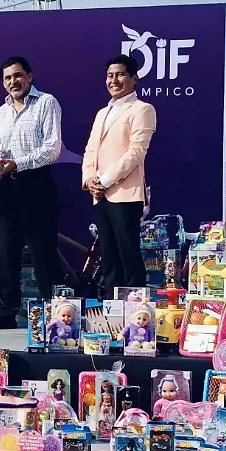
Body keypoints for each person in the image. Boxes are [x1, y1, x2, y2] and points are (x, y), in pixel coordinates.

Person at [0, 56, 63, 330]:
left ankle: (57, 315)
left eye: (17, 76)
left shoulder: (46, 103)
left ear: (29, 76)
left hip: (37, 184)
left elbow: (52, 149)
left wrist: (18, 163)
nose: (13, 82)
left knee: (44, 252)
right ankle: (6, 313)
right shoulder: (1, 112)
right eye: (7, 78)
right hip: (9, 187)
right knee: (7, 253)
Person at [82, 53, 156, 294]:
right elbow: (91, 150)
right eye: (110, 75)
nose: (114, 80)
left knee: (128, 255)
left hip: (125, 194)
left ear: (134, 78)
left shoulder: (142, 109)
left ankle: (136, 309)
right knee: (108, 257)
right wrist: (89, 179)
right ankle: (111, 308)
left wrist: (105, 180)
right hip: (100, 195)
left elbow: (136, 152)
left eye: (120, 75)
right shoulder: (101, 113)